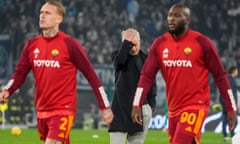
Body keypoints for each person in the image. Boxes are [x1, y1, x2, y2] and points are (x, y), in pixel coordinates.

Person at [0, 1, 113, 144]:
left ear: (59, 18)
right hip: (42, 110)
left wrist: (105, 107)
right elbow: (20, 72)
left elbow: (92, 77)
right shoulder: (32, 45)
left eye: (47, 13)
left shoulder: (70, 45)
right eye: (41, 12)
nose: (42, 16)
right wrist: (7, 90)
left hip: (63, 109)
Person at [131, 3, 237, 144]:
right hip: (173, 110)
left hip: (196, 105)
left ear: (187, 20)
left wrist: (231, 108)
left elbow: (220, 76)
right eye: (170, 15)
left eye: (177, 15)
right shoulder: (160, 44)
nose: (171, 19)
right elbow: (146, 76)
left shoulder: (202, 43)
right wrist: (137, 103)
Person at [108, 28, 156, 144]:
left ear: (139, 41)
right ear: (124, 44)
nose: (133, 48)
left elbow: (152, 84)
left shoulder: (146, 59)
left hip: (141, 109)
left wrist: (150, 105)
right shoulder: (118, 56)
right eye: (129, 45)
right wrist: (126, 43)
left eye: (134, 44)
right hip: (120, 108)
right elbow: (119, 62)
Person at [219, 66, 238, 141]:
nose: (237, 72)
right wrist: (235, 103)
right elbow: (233, 94)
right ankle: (232, 134)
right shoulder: (233, 81)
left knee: (225, 119)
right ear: (234, 71)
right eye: (236, 71)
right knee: (233, 119)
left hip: (224, 103)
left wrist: (221, 101)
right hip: (231, 104)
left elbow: (221, 91)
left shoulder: (225, 79)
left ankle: (225, 135)